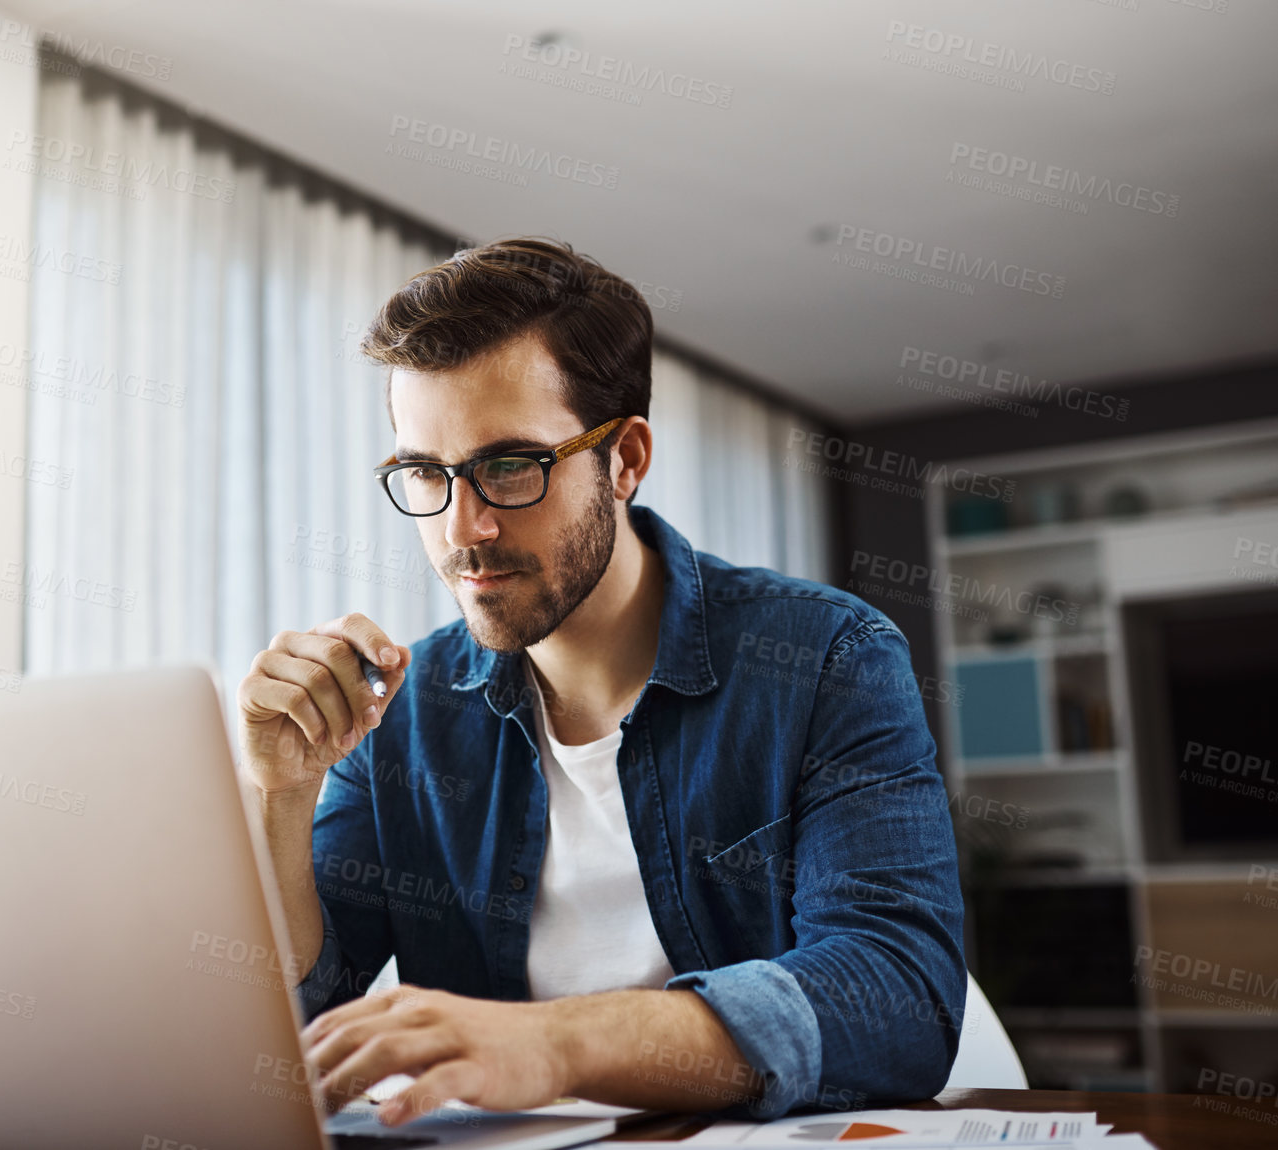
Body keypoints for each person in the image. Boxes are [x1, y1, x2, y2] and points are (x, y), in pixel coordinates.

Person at [235, 237, 965, 1127]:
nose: (464, 527)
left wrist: (551, 1045)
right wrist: (284, 796)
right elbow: (282, 1030)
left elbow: (899, 997)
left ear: (623, 459)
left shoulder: (826, 658)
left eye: (508, 466)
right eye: (426, 472)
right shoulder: (403, 712)